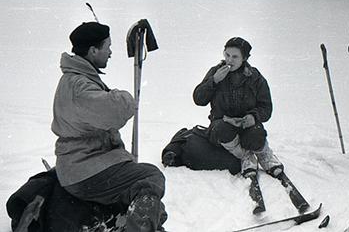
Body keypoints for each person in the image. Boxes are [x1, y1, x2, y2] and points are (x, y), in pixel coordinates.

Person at [51, 22, 167, 232]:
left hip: (82, 164)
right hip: (84, 170)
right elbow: (115, 110)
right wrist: (125, 98)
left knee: (142, 190)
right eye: (107, 47)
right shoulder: (80, 86)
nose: (111, 52)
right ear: (93, 50)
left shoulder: (76, 78)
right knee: (149, 176)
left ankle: (135, 222)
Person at [193, 37, 283, 178]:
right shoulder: (215, 72)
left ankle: (264, 154)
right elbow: (198, 99)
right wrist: (214, 81)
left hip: (247, 125)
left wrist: (254, 117)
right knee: (220, 130)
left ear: (245, 58)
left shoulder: (254, 77)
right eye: (227, 55)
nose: (230, 60)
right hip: (222, 124)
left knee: (256, 135)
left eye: (235, 57)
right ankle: (246, 156)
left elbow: (266, 107)